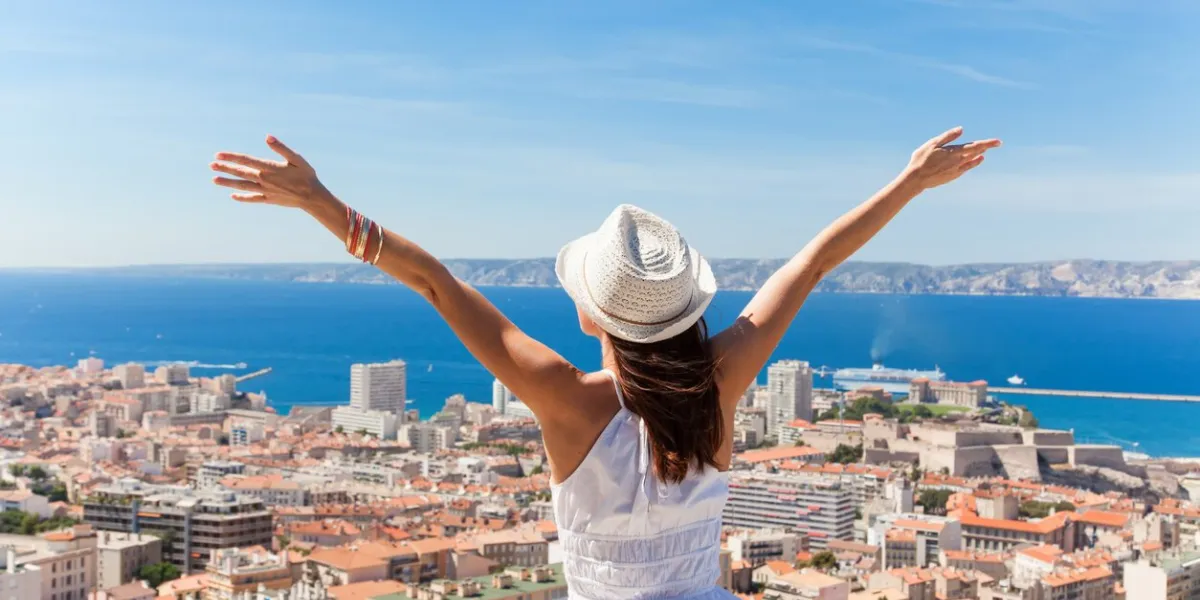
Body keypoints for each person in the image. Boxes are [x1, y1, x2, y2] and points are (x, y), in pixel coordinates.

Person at [210, 126, 999, 599]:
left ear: (590, 313)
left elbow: (434, 282)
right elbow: (814, 263)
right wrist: (911, 182)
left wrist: (322, 203)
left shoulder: (569, 402)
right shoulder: (722, 386)